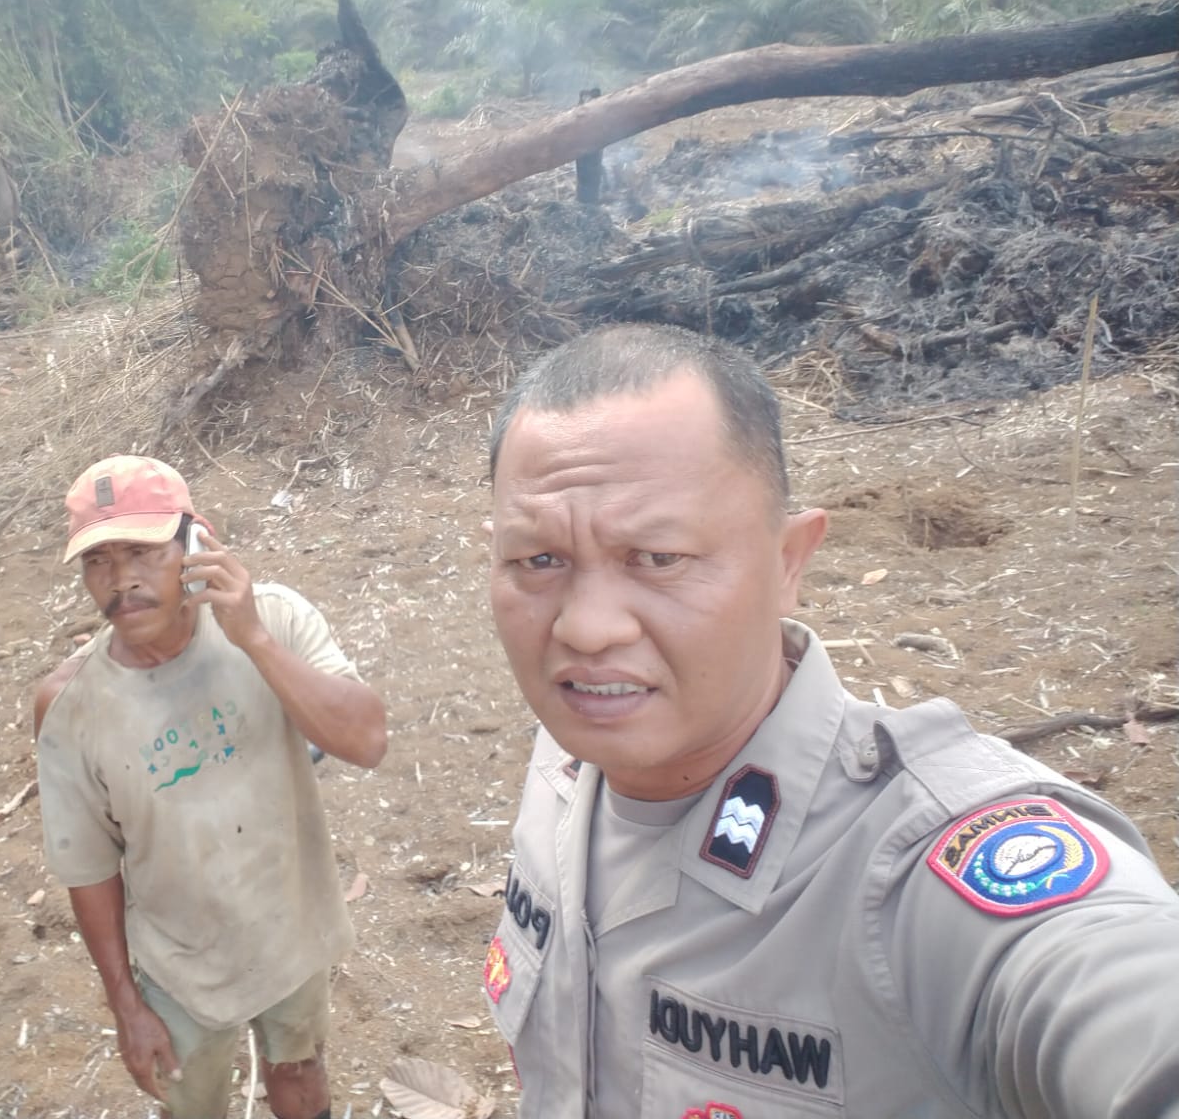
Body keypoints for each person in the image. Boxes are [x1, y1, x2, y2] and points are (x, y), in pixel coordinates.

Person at [479, 324, 1179, 1119]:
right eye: (539, 560)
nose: (586, 628)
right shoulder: (568, 760)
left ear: (789, 562)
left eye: (658, 557)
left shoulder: (922, 874)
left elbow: (1112, 991)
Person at [34, 455, 386, 1119]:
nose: (121, 581)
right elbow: (88, 870)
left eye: (141, 551)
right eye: (97, 562)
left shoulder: (272, 622)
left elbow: (366, 740)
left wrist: (251, 638)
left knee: (302, 1077)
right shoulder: (71, 706)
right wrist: (125, 1005)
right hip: (178, 970)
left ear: (196, 543)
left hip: (291, 929)